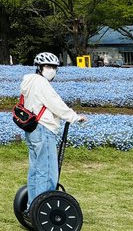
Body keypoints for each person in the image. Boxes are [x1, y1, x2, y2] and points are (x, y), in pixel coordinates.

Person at [21, 52, 88, 203]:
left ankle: (32, 205)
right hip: (44, 129)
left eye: (54, 67)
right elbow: (55, 104)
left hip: (31, 128)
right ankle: (44, 206)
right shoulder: (42, 83)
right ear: (39, 67)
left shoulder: (28, 81)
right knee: (48, 171)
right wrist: (74, 117)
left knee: (35, 170)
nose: (51, 70)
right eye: (48, 66)